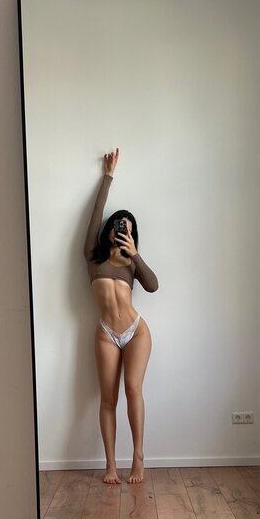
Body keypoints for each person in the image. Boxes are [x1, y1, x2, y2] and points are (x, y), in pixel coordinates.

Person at [84, 148, 158, 485]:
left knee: (133, 389)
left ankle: (138, 457)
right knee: (108, 398)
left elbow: (153, 286)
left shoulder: (131, 264)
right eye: (117, 227)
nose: (120, 231)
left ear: (132, 235)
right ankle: (111, 465)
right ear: (109, 231)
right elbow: (96, 213)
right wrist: (108, 176)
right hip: (106, 333)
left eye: (126, 229)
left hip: (135, 331)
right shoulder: (93, 257)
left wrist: (136, 255)